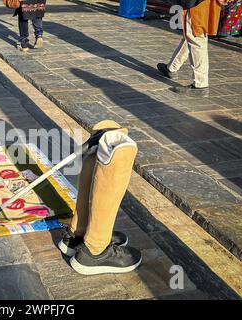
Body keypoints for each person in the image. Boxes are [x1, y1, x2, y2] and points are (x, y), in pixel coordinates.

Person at [58, 121, 142, 275]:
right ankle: (96, 248)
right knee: (120, 151)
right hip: (94, 251)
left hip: (76, 233)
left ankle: (78, 233)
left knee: (101, 147)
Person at [157, 0, 228, 96]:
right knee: (191, 36)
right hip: (205, 3)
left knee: (196, 38)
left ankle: (200, 84)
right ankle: (172, 68)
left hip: (198, 4)